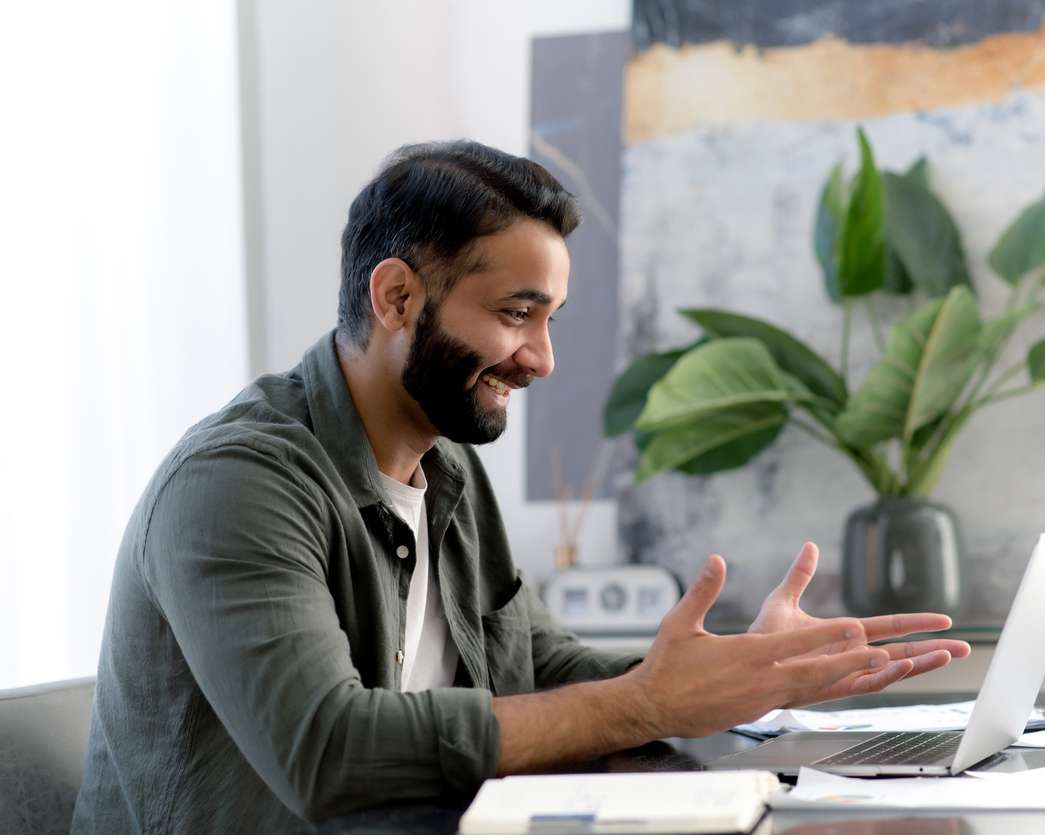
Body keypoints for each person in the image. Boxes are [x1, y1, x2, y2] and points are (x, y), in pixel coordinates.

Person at [72, 141, 970, 833]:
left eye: (549, 320)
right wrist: (646, 700)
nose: (540, 359)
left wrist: (740, 674)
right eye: (515, 315)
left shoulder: (448, 470)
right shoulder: (237, 483)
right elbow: (327, 749)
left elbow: (541, 671)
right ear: (396, 298)